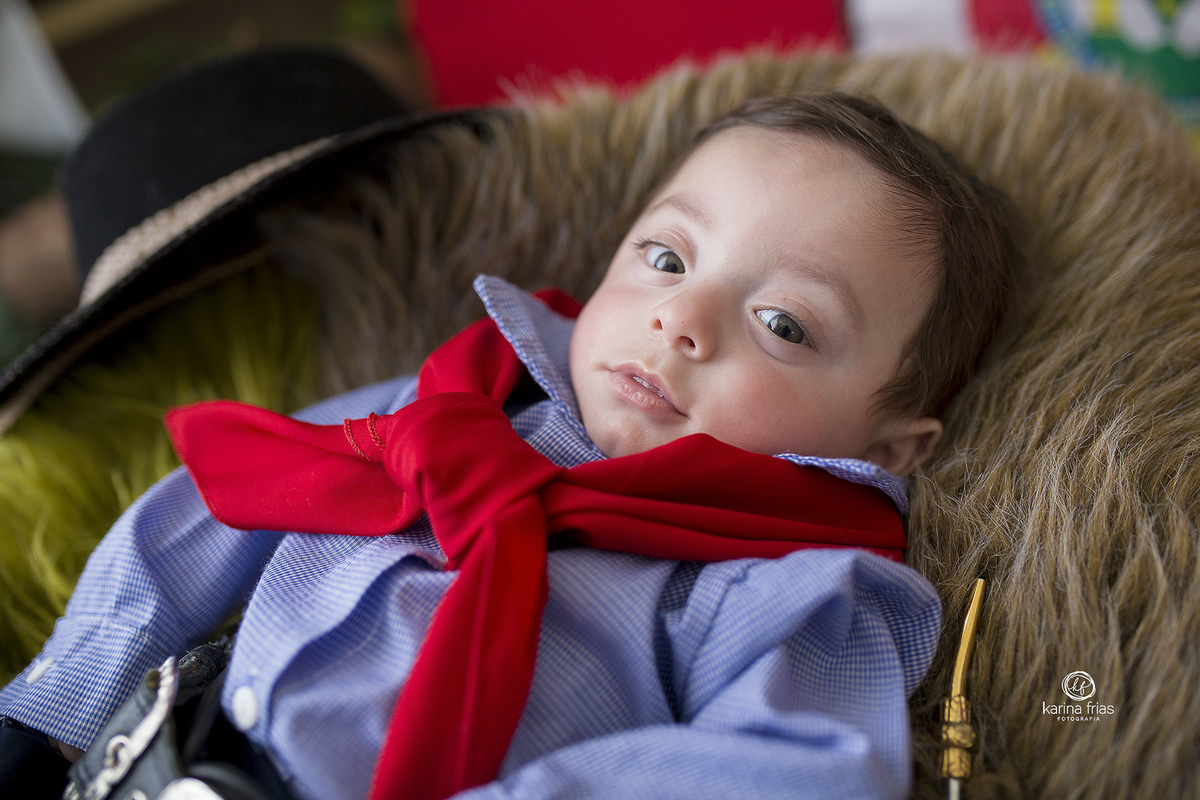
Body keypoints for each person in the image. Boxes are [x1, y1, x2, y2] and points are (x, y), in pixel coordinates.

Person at [0, 91, 1021, 800]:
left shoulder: (784, 584)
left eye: (784, 324)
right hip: (148, 753)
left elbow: (805, 766)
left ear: (890, 446)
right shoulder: (460, 396)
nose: (680, 318)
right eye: (666, 256)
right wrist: (55, 708)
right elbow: (213, 506)